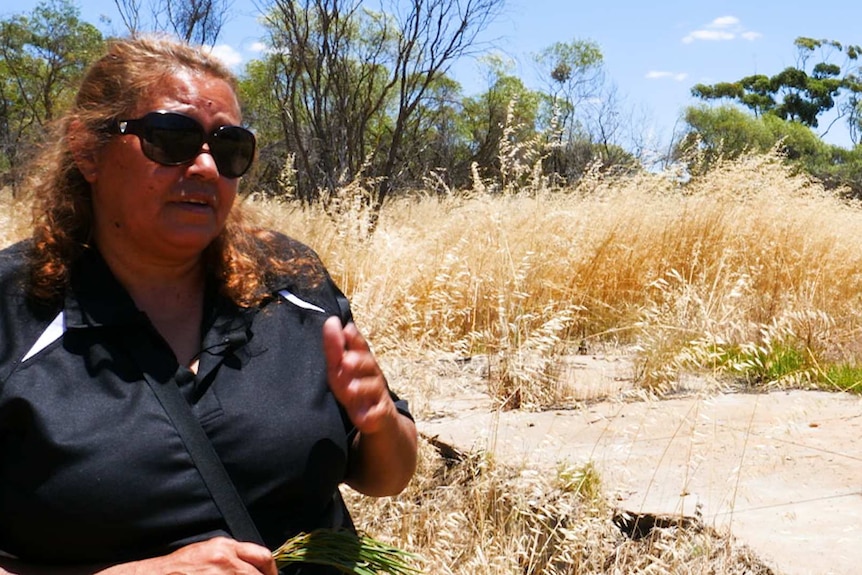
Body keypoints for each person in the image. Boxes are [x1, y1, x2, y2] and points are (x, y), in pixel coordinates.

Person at [0, 34, 417, 575]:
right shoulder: (15, 309)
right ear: (87, 150)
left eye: (228, 148)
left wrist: (379, 420)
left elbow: (387, 477)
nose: (204, 167)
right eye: (170, 139)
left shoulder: (291, 281)